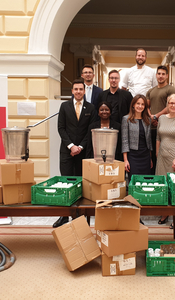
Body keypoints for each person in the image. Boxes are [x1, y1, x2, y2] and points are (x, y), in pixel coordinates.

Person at [54, 78, 96, 228]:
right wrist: (71, 146)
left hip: (83, 153)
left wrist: (80, 147)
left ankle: (81, 217)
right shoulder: (64, 106)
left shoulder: (91, 108)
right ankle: (64, 216)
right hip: (66, 152)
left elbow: (90, 131)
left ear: (85, 91)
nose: (78, 92)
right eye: (76, 89)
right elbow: (61, 128)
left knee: (81, 185)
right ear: (72, 91)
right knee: (65, 184)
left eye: (81, 89)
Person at [155, 94, 175, 229]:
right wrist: (157, 153)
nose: (173, 105)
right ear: (167, 104)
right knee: (164, 186)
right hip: (162, 157)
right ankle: (166, 213)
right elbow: (158, 137)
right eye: (171, 103)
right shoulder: (162, 118)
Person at [146, 65, 175, 173]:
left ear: (167, 76)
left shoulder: (171, 89)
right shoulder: (151, 91)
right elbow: (146, 106)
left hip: (166, 127)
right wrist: (151, 116)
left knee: (164, 154)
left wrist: (157, 116)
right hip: (152, 127)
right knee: (152, 155)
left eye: (163, 74)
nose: (161, 76)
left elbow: (171, 105)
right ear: (156, 75)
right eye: (159, 74)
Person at [121, 94, 153, 182]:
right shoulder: (126, 119)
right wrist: (125, 160)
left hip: (145, 156)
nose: (140, 106)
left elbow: (149, 141)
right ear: (133, 105)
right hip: (133, 156)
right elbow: (124, 140)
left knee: (145, 182)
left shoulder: (147, 120)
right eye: (138, 103)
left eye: (142, 104)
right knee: (134, 181)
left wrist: (150, 158)